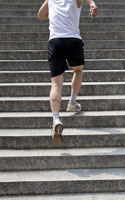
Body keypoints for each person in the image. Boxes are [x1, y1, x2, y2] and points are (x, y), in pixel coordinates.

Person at [37, 0, 98, 143]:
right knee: (78, 70)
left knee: (56, 84)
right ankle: (72, 101)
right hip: (73, 40)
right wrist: (92, 4)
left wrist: (54, 15)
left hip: (55, 41)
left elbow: (40, 15)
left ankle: (56, 118)